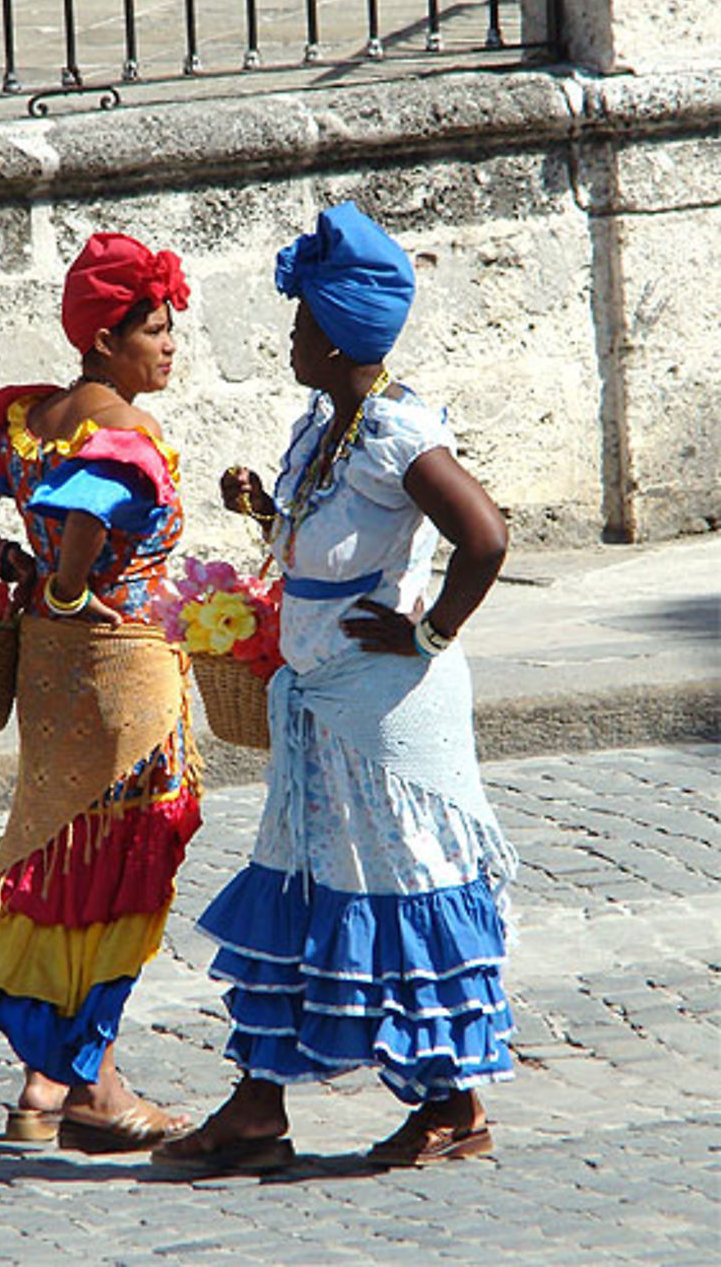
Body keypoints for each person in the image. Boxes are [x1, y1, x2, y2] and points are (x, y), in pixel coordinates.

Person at [153, 201, 518, 1176]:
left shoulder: (397, 433)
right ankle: (256, 1106)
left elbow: (483, 536)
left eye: (299, 320)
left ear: (335, 333)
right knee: (300, 890)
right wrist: (266, 511)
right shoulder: (325, 427)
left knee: (399, 892)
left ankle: (452, 1105)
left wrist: (430, 630)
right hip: (318, 706)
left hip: (385, 718)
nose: (289, 336)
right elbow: (319, 545)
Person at [0, 231, 202, 1152]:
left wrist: (17, 564)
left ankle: (47, 1081)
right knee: (124, 859)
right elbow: (94, 505)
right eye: (154, 331)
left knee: (62, 850)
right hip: (123, 671)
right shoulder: (124, 428)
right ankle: (95, 1085)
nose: (170, 346)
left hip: (48, 672)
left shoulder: (26, 421)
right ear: (104, 341)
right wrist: (73, 578)